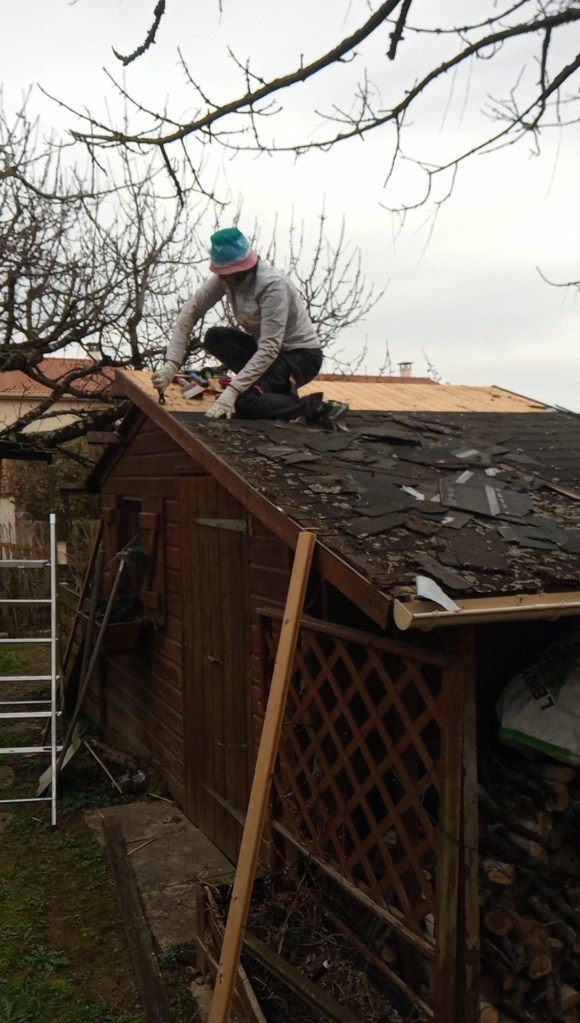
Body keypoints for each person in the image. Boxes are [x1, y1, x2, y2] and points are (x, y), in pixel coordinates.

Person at [152, 227, 348, 427]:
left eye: (229, 274)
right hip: (269, 354)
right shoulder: (224, 280)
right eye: (221, 273)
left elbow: (270, 346)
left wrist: (234, 390)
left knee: (247, 403)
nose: (225, 279)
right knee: (215, 337)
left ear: (243, 267)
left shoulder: (272, 285)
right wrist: (172, 364)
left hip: (299, 357)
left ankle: (319, 408)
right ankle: (274, 390)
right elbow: (191, 312)